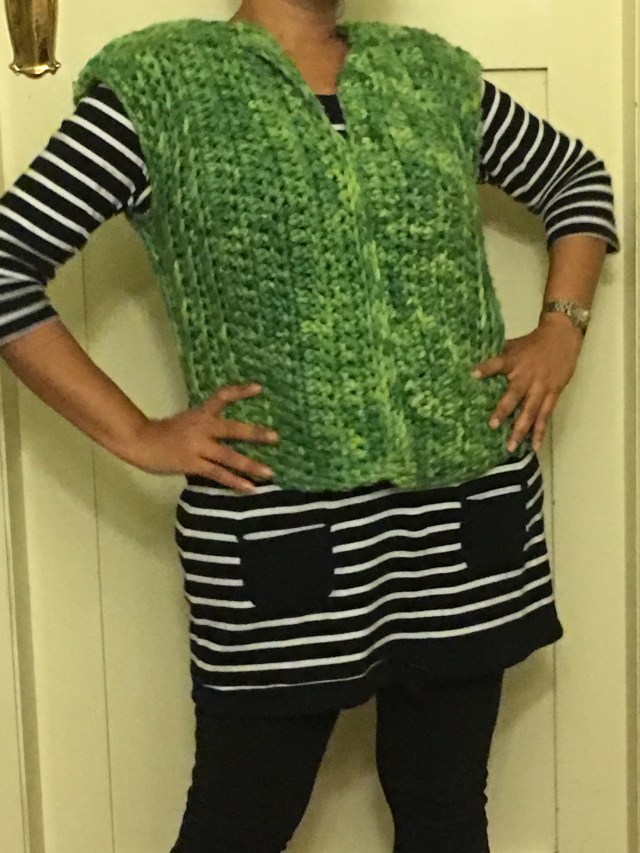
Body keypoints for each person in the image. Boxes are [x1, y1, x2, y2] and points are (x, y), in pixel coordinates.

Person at [0, 1, 618, 851]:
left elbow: (578, 179)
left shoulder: (430, 76)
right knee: (240, 822)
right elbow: (8, 264)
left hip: (463, 524)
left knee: (444, 812)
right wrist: (138, 433)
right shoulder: (159, 90)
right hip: (283, 538)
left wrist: (562, 327)